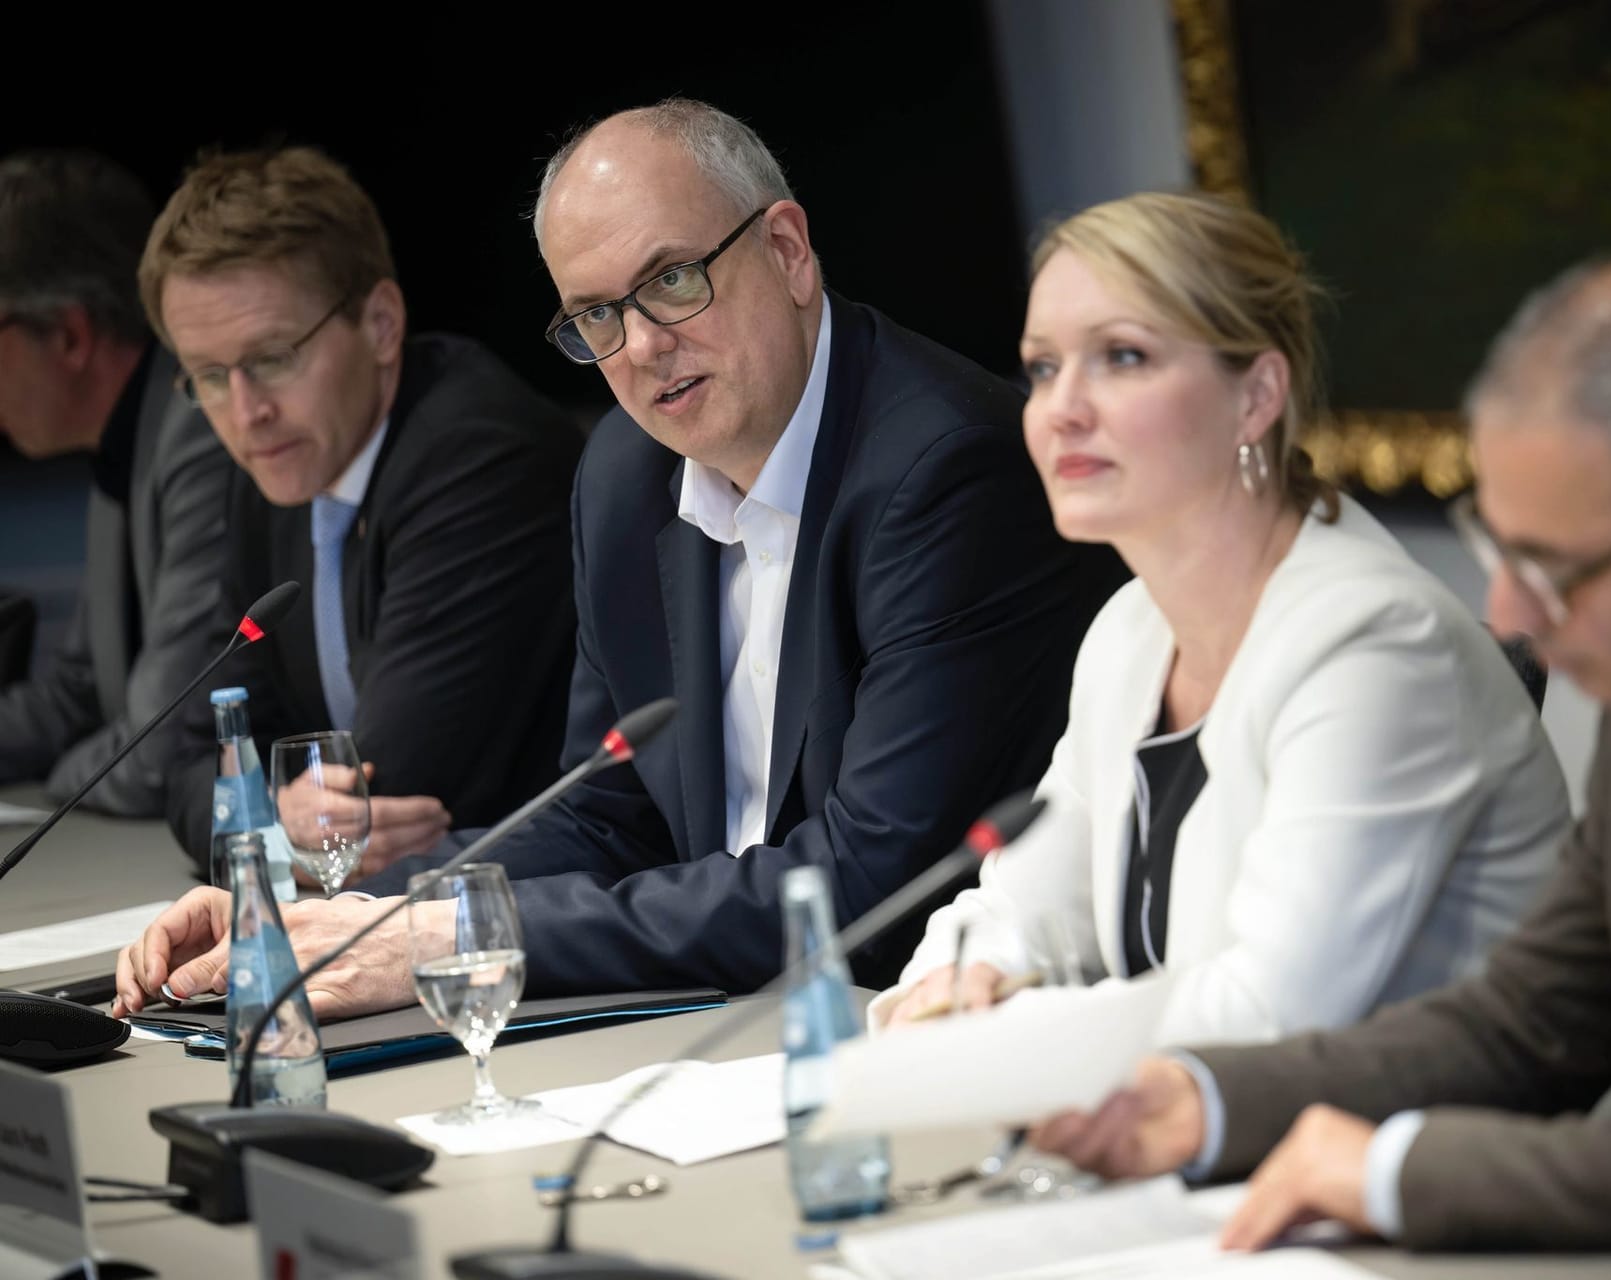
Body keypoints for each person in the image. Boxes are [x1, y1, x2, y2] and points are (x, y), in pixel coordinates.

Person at [113, 100, 1121, 1019]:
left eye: (672, 282)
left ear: (787, 251)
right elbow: (604, 812)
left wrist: (453, 932)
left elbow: (861, 883)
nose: (639, 346)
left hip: (909, 1016)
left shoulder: (944, 471)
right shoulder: (628, 472)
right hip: (710, 1013)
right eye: (596, 314)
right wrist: (332, 907)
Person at [1031, 254, 1611, 1252]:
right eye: (1497, 549)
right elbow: (1535, 1016)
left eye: (1548, 566)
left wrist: (1393, 1172)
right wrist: (1206, 1095)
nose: (1506, 613)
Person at [873, 192, 1568, 1045]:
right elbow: (1023, 902)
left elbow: (1268, 1017)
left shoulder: (1379, 644)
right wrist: (957, 977)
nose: (1063, 408)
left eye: (1122, 357)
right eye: (1045, 367)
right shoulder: (1131, 632)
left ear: (1257, 395)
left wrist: (995, 1028)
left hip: (1412, 1160)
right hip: (1199, 1146)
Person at [142, 145, 581, 884]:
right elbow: (189, 759)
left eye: (274, 357)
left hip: (539, 916)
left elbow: (390, 792)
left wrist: (273, 822)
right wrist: (284, 827)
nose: (246, 412)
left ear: (379, 324)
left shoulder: (478, 456)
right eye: (210, 377)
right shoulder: (273, 469)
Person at [0, 149, 231, 816]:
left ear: (71, 336)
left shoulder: (200, 425)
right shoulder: (125, 441)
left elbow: (155, 750)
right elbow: (78, 695)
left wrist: (55, 788)